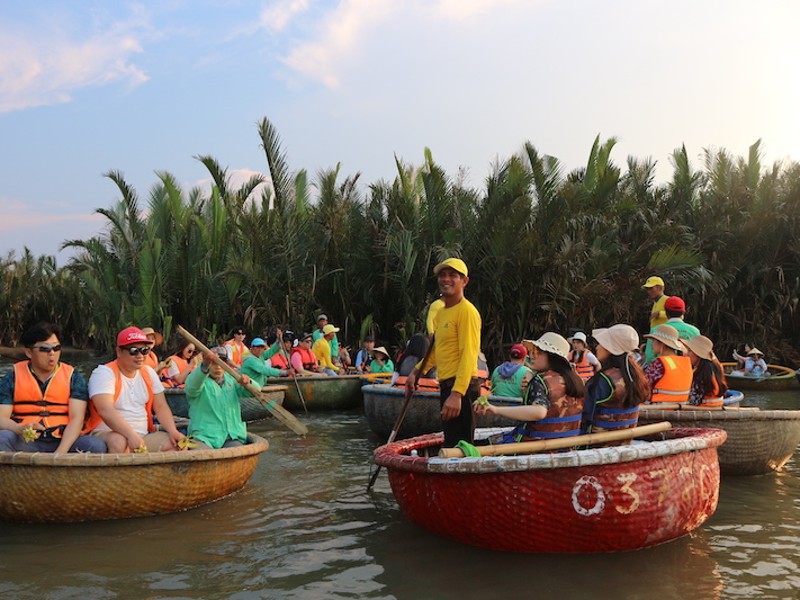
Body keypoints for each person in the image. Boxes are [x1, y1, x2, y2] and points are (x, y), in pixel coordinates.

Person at [406, 257, 481, 447]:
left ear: (464, 281)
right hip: (447, 386)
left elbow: (469, 355)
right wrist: (416, 372)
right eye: (442, 275)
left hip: (461, 389)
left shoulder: (467, 311)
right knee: (451, 444)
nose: (446, 279)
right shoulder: (441, 312)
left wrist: (456, 395)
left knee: (461, 448)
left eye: (452, 275)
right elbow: (436, 350)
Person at [0, 322, 107, 454]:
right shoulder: (12, 377)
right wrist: (18, 428)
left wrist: (60, 453)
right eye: (45, 349)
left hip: (64, 440)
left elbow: (77, 418)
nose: (52, 354)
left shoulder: (74, 377)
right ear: (28, 352)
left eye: (56, 348)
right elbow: (2, 417)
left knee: (95, 445)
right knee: (3, 438)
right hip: (26, 440)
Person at [87, 326, 184, 453]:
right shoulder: (104, 373)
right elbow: (105, 409)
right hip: (107, 432)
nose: (140, 356)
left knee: (174, 445)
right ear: (119, 352)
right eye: (134, 351)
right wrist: (130, 435)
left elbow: (161, 407)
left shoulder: (149, 373)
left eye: (144, 350)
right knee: (120, 442)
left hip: (143, 435)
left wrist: (173, 431)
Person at [474, 333, 584, 443]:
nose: (532, 356)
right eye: (532, 351)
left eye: (538, 352)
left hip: (535, 444)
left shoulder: (540, 380)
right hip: (566, 444)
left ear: (552, 357)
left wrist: (496, 409)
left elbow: (539, 412)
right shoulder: (576, 380)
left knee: (481, 444)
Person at [581, 325, 650, 438]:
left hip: (597, 446)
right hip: (625, 444)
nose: (597, 347)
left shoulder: (603, 379)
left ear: (610, 348)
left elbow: (585, 416)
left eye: (602, 343)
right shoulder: (637, 376)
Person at [184, 346, 249, 449]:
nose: (218, 367)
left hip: (231, 435)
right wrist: (205, 365)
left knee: (239, 451)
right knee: (202, 455)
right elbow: (191, 389)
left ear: (226, 364)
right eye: (213, 363)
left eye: (221, 363)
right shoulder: (198, 378)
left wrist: (248, 382)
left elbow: (255, 392)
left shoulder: (232, 379)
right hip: (204, 437)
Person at [644, 296, 700, 365]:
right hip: (689, 371)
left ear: (666, 312)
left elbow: (649, 358)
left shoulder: (656, 330)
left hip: (663, 370)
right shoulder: (695, 331)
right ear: (683, 312)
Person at [643, 324, 692, 403]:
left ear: (662, 344)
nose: (651, 344)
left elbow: (642, 386)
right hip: (681, 406)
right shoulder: (686, 361)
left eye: (654, 341)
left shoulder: (659, 363)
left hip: (658, 408)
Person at [683, 335, 728, 407]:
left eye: (690, 351)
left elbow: (694, 401)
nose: (686, 354)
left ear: (698, 354)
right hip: (717, 406)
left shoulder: (700, 374)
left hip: (702, 409)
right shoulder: (716, 366)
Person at [642, 276, 669, 365]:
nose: (649, 292)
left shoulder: (667, 300)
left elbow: (677, 315)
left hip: (663, 336)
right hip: (654, 335)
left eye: (651, 288)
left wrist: (660, 313)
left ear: (660, 288)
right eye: (647, 289)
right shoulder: (656, 302)